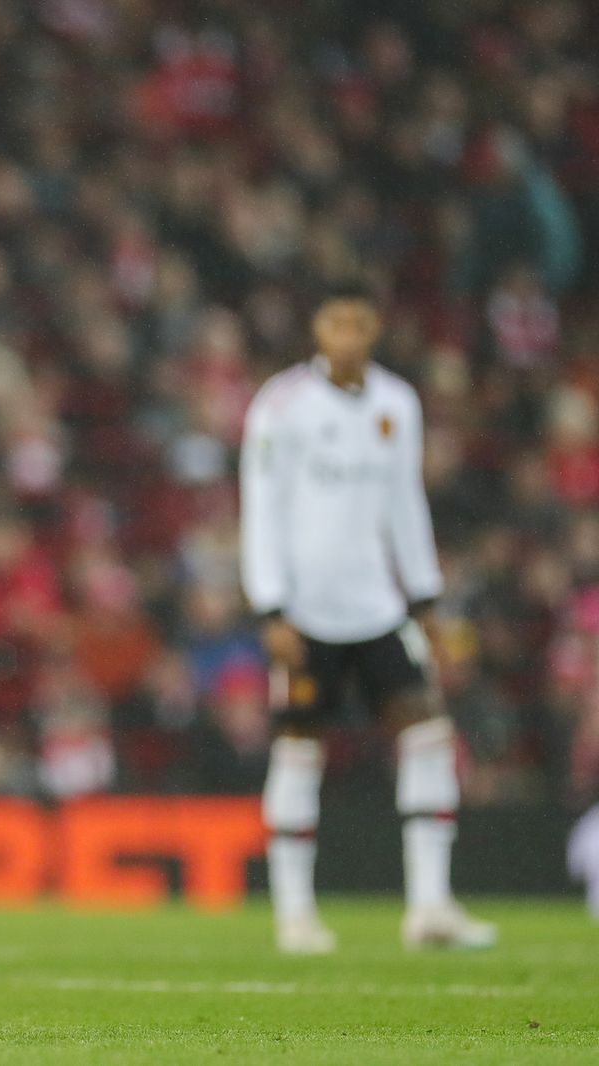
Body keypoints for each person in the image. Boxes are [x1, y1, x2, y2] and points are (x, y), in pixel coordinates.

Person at [240, 281, 497, 954]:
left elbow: (405, 506)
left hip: (380, 607)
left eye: (358, 323)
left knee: (429, 734)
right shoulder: (282, 404)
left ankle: (430, 907)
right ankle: (294, 915)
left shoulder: (397, 403)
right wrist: (270, 604)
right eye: (335, 322)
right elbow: (259, 505)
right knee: (299, 750)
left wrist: (426, 599)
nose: (347, 335)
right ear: (317, 329)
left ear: (375, 328)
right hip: (305, 612)